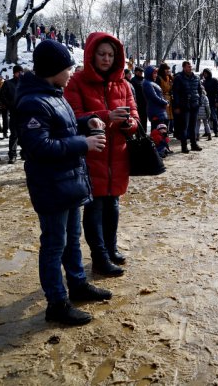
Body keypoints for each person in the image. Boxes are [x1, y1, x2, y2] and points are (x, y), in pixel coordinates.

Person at [16, 39, 111, 325]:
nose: (71, 72)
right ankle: (56, 303)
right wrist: (83, 143)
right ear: (53, 69)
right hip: (52, 186)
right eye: (68, 67)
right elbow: (40, 147)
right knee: (54, 245)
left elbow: (62, 129)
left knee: (71, 241)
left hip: (68, 182)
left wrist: (88, 122)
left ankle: (78, 285)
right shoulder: (33, 101)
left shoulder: (54, 94)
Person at [65, 32, 139, 276]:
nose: (107, 59)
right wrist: (106, 116)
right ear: (91, 55)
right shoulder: (77, 81)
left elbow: (136, 118)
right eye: (102, 54)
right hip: (91, 155)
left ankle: (111, 247)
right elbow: (73, 117)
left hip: (118, 156)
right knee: (95, 207)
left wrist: (128, 122)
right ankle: (99, 256)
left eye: (111, 54)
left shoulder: (124, 84)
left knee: (113, 205)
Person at [172, 61, 202, 152]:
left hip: (194, 105)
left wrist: (199, 101)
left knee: (193, 126)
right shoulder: (179, 78)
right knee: (184, 127)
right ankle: (184, 146)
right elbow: (175, 93)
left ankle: (193, 144)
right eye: (188, 66)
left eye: (190, 66)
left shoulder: (196, 77)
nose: (190, 68)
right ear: (184, 67)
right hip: (184, 105)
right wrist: (176, 106)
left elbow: (199, 90)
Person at [0, 65, 24, 163]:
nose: (20, 74)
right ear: (14, 73)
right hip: (14, 112)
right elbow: (2, 95)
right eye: (18, 72)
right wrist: (10, 105)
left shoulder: (25, 84)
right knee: (14, 134)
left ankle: (24, 153)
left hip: (24, 112)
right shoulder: (8, 83)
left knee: (24, 134)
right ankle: (12, 155)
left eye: (22, 72)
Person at [143, 66, 169, 132]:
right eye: (154, 73)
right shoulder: (147, 83)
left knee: (162, 133)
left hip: (159, 110)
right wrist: (165, 102)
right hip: (155, 111)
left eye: (156, 73)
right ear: (149, 73)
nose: (156, 75)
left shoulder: (151, 83)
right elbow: (154, 97)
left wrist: (164, 102)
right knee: (158, 134)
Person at [201, 68, 218, 137]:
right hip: (205, 101)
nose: (204, 75)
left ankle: (216, 131)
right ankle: (207, 131)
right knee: (206, 118)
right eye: (204, 74)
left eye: (205, 73)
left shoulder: (214, 80)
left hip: (213, 101)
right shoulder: (204, 82)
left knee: (214, 117)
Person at [156, 63, 174, 134]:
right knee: (164, 117)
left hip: (169, 98)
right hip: (162, 98)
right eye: (166, 69)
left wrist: (171, 77)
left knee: (169, 117)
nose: (167, 71)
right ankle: (162, 132)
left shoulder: (168, 77)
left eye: (168, 69)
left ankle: (168, 130)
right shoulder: (159, 78)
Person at [130, 66, 147, 132]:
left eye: (142, 72)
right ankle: (139, 134)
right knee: (138, 119)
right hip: (138, 103)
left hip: (144, 102)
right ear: (136, 72)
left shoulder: (143, 80)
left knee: (144, 119)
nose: (141, 73)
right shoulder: (133, 81)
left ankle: (144, 132)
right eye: (140, 72)